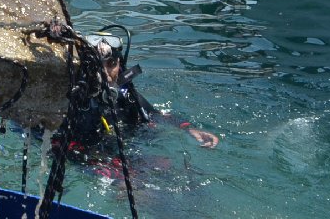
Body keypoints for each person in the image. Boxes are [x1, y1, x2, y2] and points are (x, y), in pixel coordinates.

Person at [56, 34, 218, 161]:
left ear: (120, 65)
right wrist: (109, 168)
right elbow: (60, 144)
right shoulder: (73, 102)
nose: (104, 72)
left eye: (111, 63)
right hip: (99, 162)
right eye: (96, 65)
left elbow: (156, 115)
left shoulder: (126, 95)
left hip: (130, 149)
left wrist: (188, 128)